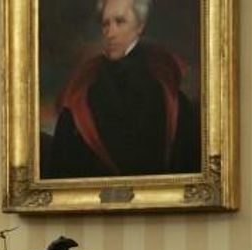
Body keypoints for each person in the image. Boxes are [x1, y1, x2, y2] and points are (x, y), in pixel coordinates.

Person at [44, 0, 200, 178]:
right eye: (105, 24)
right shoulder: (85, 84)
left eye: (120, 22)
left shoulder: (163, 85)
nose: (110, 33)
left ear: (139, 26)